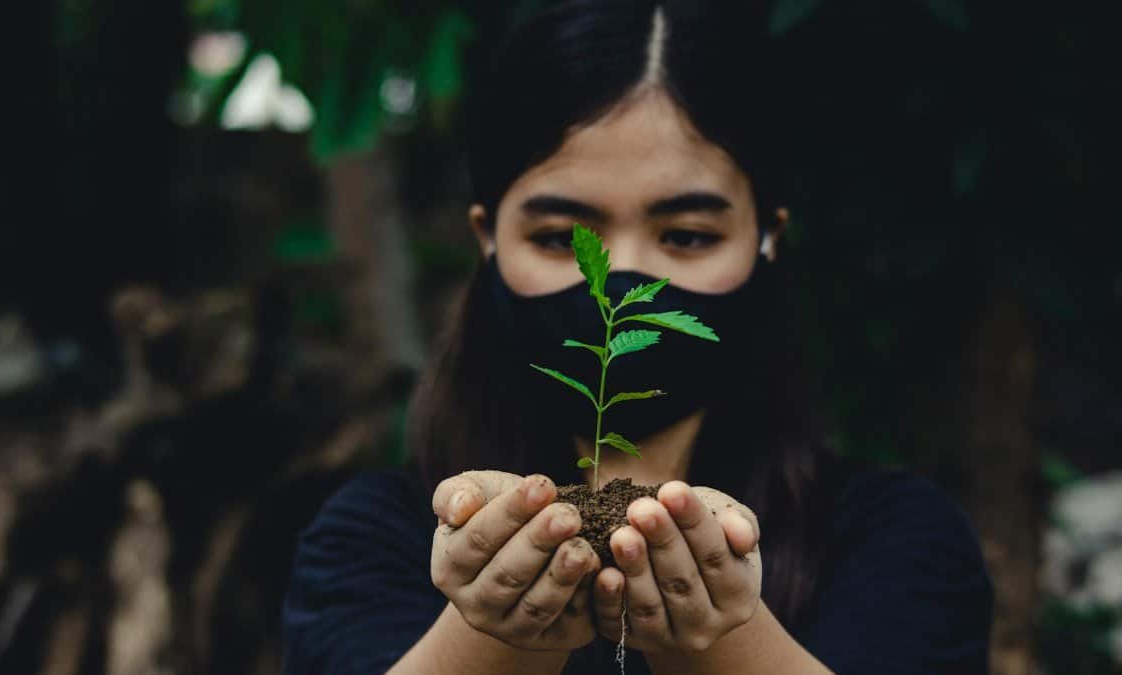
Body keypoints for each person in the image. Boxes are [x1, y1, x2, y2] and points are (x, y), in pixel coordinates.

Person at [282, 1, 993, 673]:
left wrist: (724, 635)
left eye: (686, 235)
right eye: (562, 237)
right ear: (487, 238)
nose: (620, 279)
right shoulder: (375, 537)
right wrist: (493, 628)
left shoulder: (893, 540)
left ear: (767, 239)